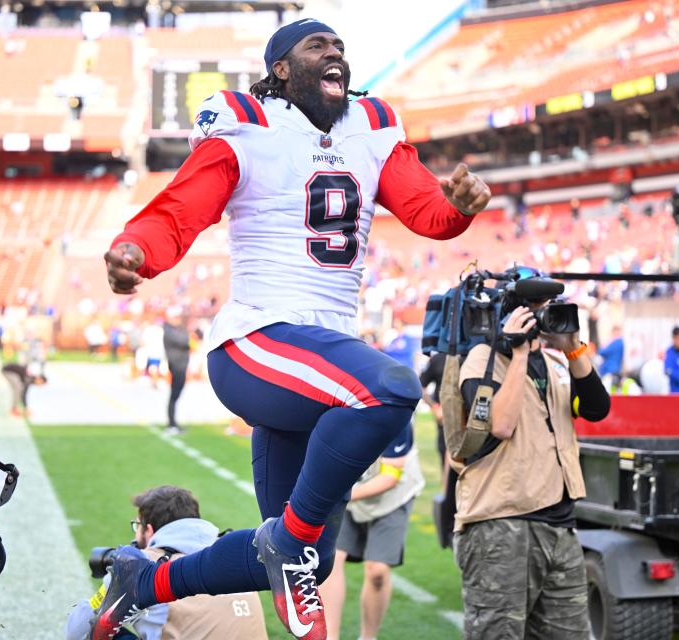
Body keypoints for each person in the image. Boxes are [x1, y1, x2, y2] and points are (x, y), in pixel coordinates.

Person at [100, 18, 490, 640]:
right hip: (258, 340)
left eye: (340, 45)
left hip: (323, 360)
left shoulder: (371, 128)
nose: (335, 53)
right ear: (280, 68)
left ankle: (142, 582)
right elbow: (182, 208)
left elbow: (425, 209)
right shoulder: (248, 127)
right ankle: (291, 540)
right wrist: (135, 251)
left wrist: (459, 208)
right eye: (317, 46)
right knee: (391, 388)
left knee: (303, 557)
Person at [453, 269, 610, 640]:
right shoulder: (482, 359)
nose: (545, 314)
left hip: (559, 524)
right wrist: (518, 351)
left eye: (550, 305)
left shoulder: (559, 363)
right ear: (513, 310)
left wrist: (572, 346)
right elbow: (501, 425)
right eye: (537, 306)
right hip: (501, 524)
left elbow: (597, 408)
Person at [66, 486, 267, 640]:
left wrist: (102, 592)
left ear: (150, 529)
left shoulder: (143, 564)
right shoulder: (232, 554)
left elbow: (76, 631)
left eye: (137, 526)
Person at [319, 424, 424, 640]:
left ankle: (368, 637)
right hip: (347, 491)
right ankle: (330, 635)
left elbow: (389, 478)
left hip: (392, 497)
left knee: (377, 571)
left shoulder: (395, 414)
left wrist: (339, 496)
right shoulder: (334, 410)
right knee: (331, 560)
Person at [163, 307, 191, 435]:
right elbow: (184, 341)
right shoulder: (169, 331)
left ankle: (173, 422)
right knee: (174, 396)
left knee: (175, 396)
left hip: (181, 365)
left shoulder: (176, 329)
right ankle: (171, 423)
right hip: (176, 366)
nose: (179, 320)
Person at [664, 326, 679, 393]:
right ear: (673, 339)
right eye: (677, 339)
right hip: (675, 392)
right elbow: (667, 370)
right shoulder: (670, 352)